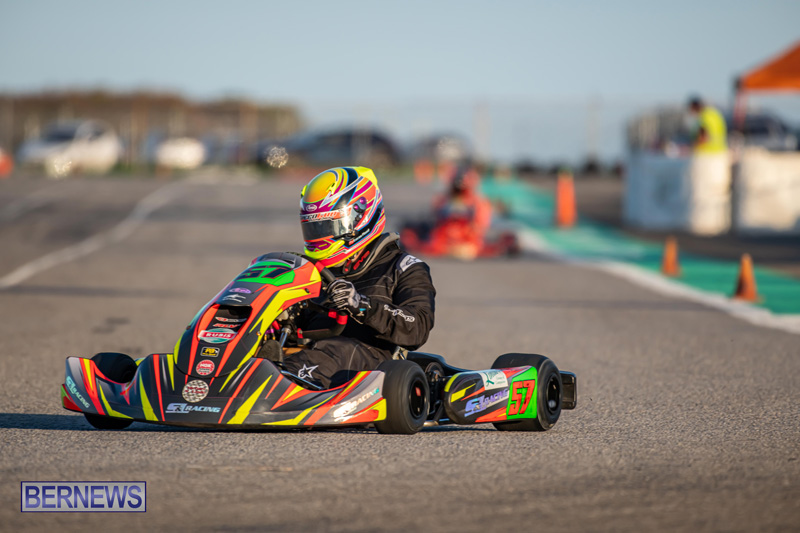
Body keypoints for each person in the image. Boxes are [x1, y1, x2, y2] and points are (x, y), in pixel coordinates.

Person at [281, 166, 436, 389]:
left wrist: (362, 305)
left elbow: (417, 327)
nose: (320, 236)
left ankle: (279, 388)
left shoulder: (403, 267)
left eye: (328, 226)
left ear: (359, 218)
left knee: (335, 350)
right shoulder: (311, 271)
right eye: (315, 229)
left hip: (367, 363)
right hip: (310, 354)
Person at [432, 164, 493, 243]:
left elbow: (480, 226)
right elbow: (437, 220)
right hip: (446, 238)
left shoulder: (479, 202)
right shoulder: (443, 200)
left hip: (468, 239)